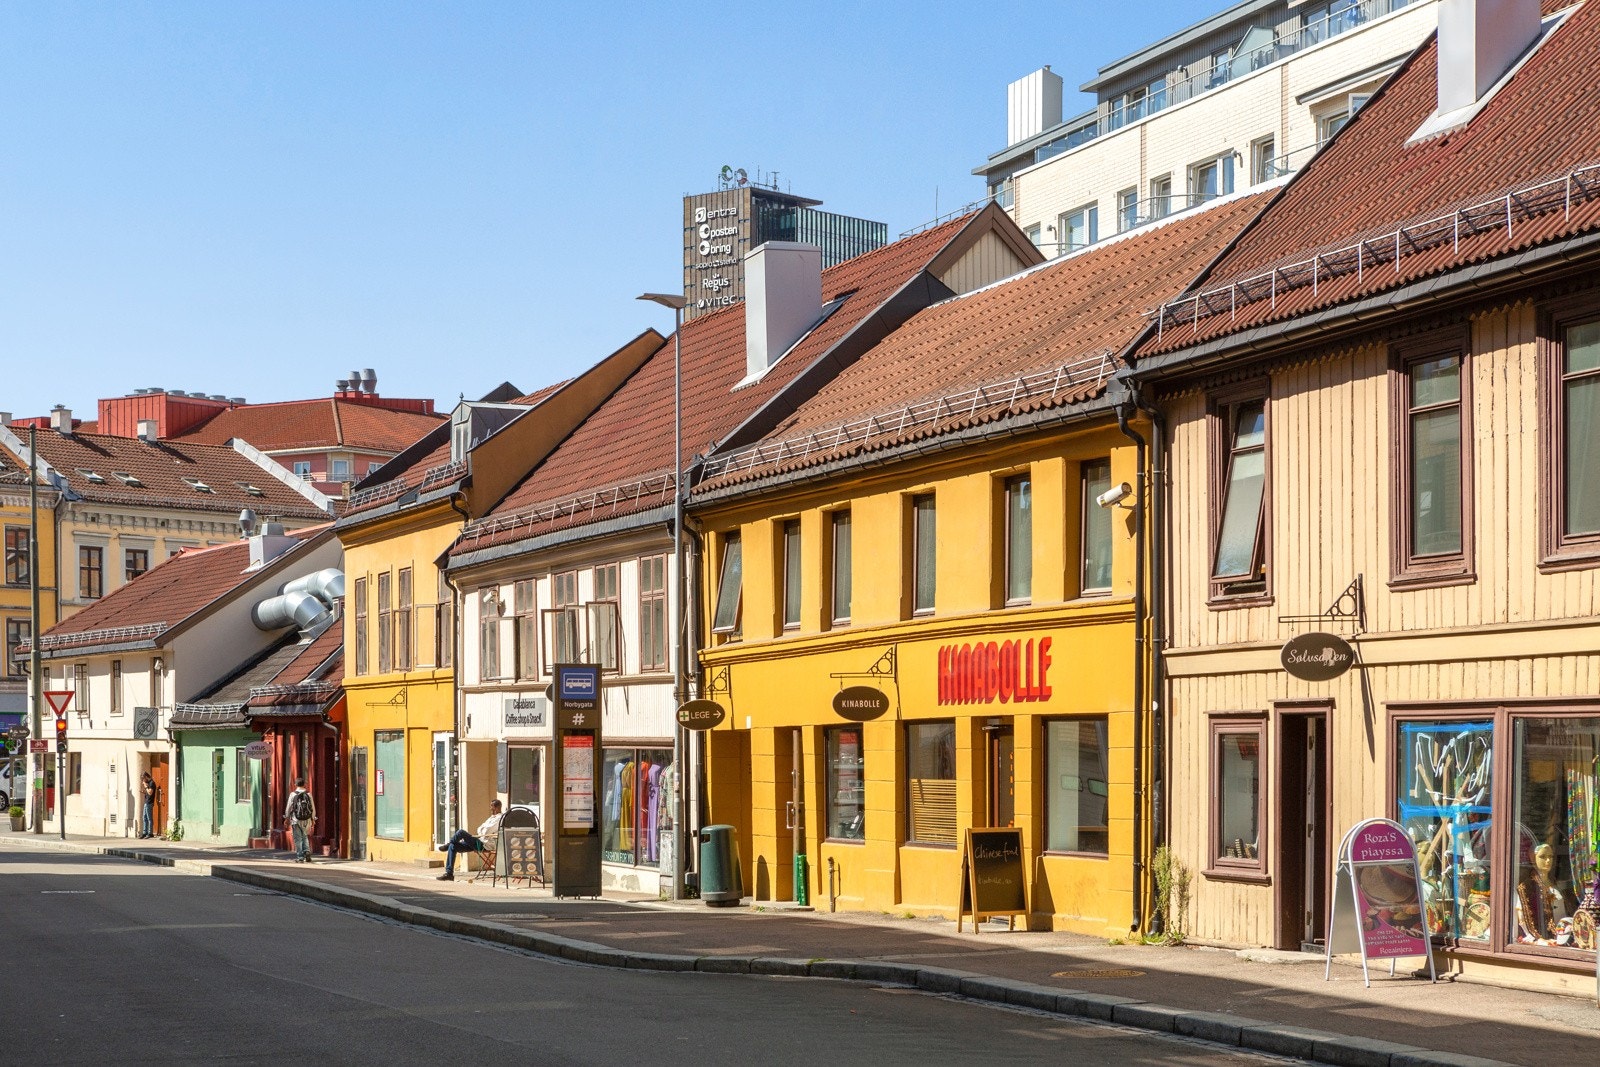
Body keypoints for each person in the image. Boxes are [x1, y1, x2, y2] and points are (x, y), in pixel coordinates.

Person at [437, 799, 502, 881]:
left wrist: (483, 829)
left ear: (496, 807)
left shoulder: (499, 818)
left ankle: (448, 844)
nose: (490, 808)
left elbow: (486, 831)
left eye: (491, 806)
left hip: (485, 845)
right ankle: (449, 874)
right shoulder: (492, 818)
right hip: (479, 841)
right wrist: (483, 829)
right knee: (453, 846)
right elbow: (479, 829)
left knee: (461, 832)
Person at [285, 778, 317, 863]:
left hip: (296, 819)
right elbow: (312, 807)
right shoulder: (308, 794)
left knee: (298, 838)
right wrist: (313, 818)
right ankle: (307, 851)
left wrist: (286, 818)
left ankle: (300, 857)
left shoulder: (293, 794)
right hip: (307, 819)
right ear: (304, 784)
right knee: (305, 836)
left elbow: (288, 807)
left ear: (295, 785)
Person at [138, 772, 158, 839]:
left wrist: (146, 786)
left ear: (146, 777)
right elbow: (147, 792)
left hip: (149, 803)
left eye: (143, 779)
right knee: (144, 817)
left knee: (149, 818)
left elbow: (150, 792)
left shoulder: (152, 783)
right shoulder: (148, 783)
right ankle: (144, 832)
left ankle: (150, 833)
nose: (143, 780)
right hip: (146, 802)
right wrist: (143, 791)